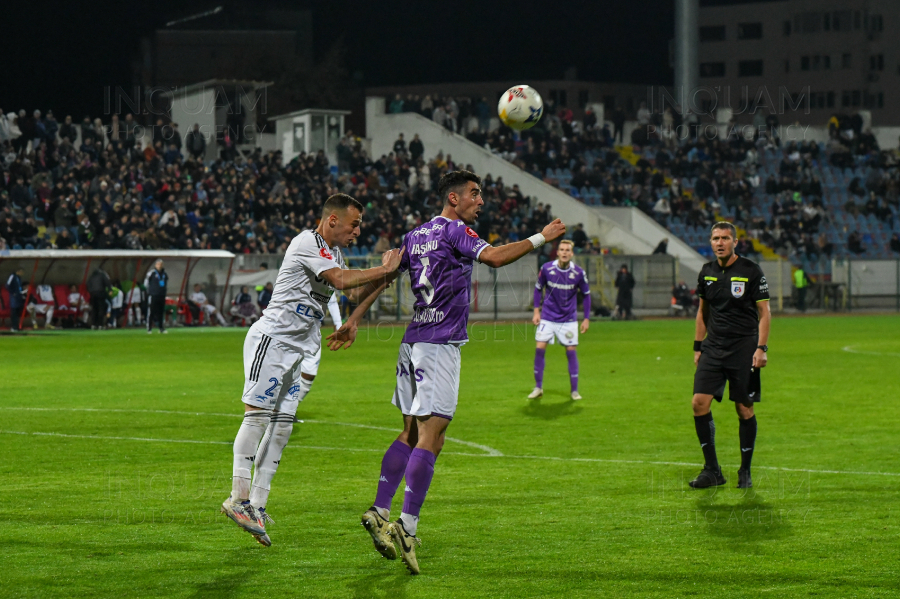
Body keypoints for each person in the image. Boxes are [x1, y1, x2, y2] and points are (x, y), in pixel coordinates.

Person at [342, 170, 566, 575]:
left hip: (411, 344)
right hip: (438, 346)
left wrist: (355, 317)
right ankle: (406, 527)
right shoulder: (454, 231)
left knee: (413, 432)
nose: (481, 201)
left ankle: (379, 509)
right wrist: (541, 238)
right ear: (453, 197)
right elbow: (495, 258)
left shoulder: (415, 235)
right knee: (432, 434)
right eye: (475, 194)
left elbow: (386, 277)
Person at [220, 193, 404, 548]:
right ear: (332, 220)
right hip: (272, 340)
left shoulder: (333, 253)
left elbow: (349, 291)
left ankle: (257, 505)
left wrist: (374, 293)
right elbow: (338, 281)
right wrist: (383, 269)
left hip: (298, 349)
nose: (358, 231)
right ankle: (237, 498)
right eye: (354, 224)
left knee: (283, 427)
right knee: (258, 417)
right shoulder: (308, 242)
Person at [690, 222, 770, 490]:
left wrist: (761, 348)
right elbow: (703, 312)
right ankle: (712, 470)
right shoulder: (706, 272)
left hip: (744, 348)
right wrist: (698, 346)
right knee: (698, 403)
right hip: (713, 347)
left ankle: (745, 470)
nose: (720, 242)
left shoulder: (750, 271)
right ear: (710, 242)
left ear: (735, 241)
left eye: (725, 238)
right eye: (715, 238)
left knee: (744, 408)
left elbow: (765, 313)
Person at [528, 240, 591, 401]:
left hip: (568, 319)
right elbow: (537, 289)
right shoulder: (547, 269)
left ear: (571, 253)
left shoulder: (578, 273)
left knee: (571, 351)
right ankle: (538, 387)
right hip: (548, 317)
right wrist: (536, 311)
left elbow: (586, 295)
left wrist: (586, 319)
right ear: (557, 252)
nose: (564, 252)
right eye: (561, 249)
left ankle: (574, 391)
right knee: (539, 348)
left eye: (567, 250)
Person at [145, 259, 168, 334]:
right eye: (158, 264)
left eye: (161, 264)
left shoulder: (165, 274)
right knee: (151, 311)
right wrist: (150, 292)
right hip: (153, 295)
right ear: (155, 265)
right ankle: (149, 328)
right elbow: (146, 284)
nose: (159, 266)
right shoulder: (151, 273)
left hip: (161, 295)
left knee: (161, 312)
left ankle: (161, 328)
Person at [5, 267, 25, 332]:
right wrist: (13, 292)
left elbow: (19, 287)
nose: (22, 273)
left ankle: (16, 326)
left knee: (17, 312)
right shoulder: (12, 276)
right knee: (14, 312)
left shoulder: (19, 278)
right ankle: (13, 327)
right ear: (18, 271)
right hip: (14, 298)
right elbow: (7, 286)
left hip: (19, 297)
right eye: (22, 272)